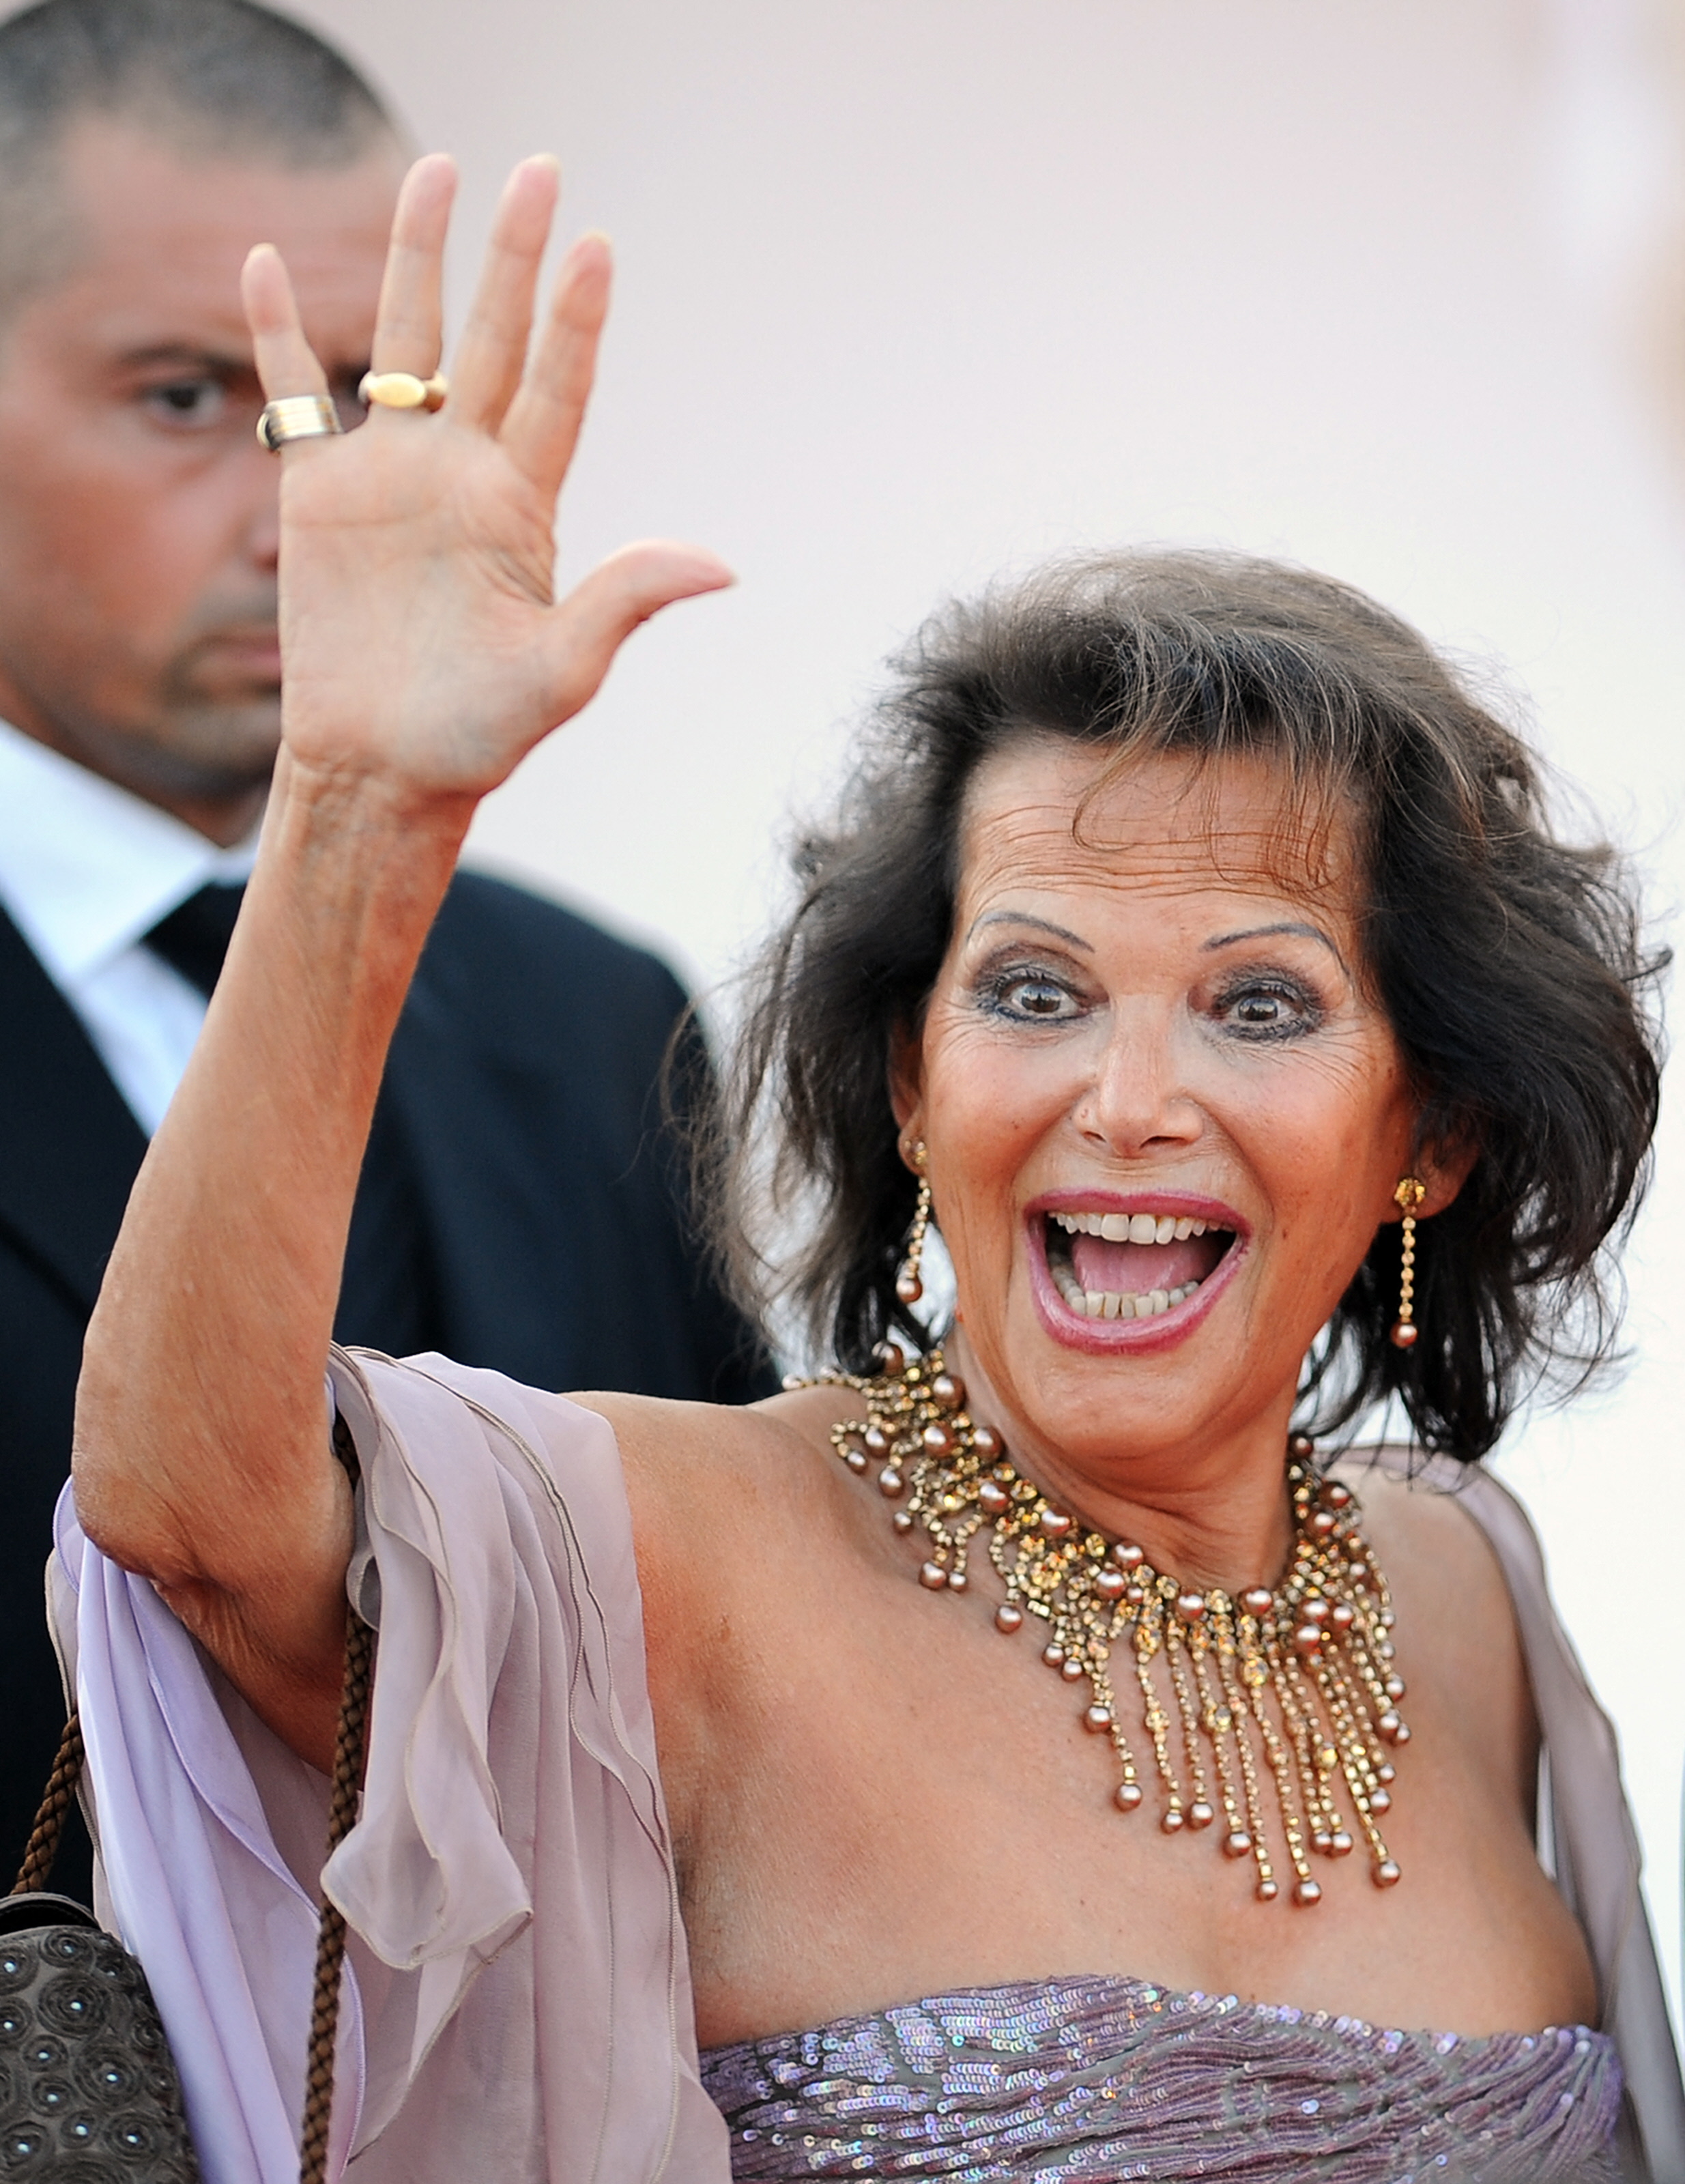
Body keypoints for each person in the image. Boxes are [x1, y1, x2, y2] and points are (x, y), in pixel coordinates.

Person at [57, 154, 1685, 2183]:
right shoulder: (672, 1554)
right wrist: (360, 809)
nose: (1131, 1099)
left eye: (1259, 1007)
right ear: (909, 1091)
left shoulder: (1468, 1593)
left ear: (1432, 1130)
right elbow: (185, 1506)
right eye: (1033, 993)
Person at [0, 0, 771, 1899]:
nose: (319, 504)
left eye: (377, 403)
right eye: (197, 395)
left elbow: (743, 1736)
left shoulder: (595, 1027)